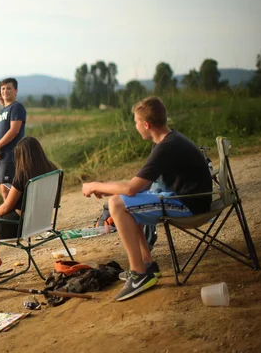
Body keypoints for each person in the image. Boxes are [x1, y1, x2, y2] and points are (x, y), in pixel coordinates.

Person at [82, 96, 212, 301]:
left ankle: (139, 274)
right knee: (119, 199)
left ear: (146, 124)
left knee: (117, 203)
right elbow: (138, 185)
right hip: (186, 198)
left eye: (135, 122)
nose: (135, 126)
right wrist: (108, 190)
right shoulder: (167, 140)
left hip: (191, 205)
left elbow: (132, 188)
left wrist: (95, 185)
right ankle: (147, 265)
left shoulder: (166, 147)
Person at [0, 137, 57, 285]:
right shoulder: (52, 170)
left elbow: (6, 208)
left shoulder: (23, 175)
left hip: (15, 227)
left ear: (21, 155)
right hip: (38, 221)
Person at [0, 78, 27, 201]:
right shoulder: (1, 111)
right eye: (3, 89)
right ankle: (9, 217)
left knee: (9, 189)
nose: (5, 91)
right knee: (2, 188)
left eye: (9, 88)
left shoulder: (17, 107)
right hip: (0, 157)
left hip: (10, 156)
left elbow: (14, 130)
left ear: (15, 90)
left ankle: (17, 216)